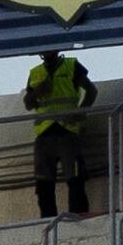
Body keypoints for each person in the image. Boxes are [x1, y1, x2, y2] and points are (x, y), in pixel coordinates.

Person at [26, 46, 97, 218]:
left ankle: (78, 216)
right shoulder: (35, 73)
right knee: (44, 182)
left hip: (67, 130)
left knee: (75, 178)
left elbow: (91, 90)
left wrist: (81, 112)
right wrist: (37, 92)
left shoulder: (71, 65)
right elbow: (28, 103)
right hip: (45, 132)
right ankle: (48, 220)